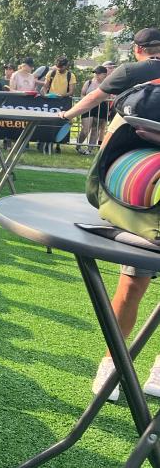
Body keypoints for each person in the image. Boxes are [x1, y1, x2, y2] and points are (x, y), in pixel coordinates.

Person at [57, 29, 160, 401]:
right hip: (149, 203)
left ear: (138, 48)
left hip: (140, 203)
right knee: (133, 286)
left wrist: (64, 114)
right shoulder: (139, 75)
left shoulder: (133, 72)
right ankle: (135, 369)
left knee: (131, 287)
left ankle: (112, 366)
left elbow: (96, 107)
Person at [77, 66, 109, 154]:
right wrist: (86, 100)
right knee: (86, 129)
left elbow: (111, 96)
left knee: (95, 129)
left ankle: (89, 150)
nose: (96, 75)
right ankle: (78, 145)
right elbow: (82, 94)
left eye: (98, 73)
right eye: (95, 73)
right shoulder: (89, 82)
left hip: (101, 107)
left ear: (104, 75)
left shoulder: (108, 84)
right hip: (88, 106)